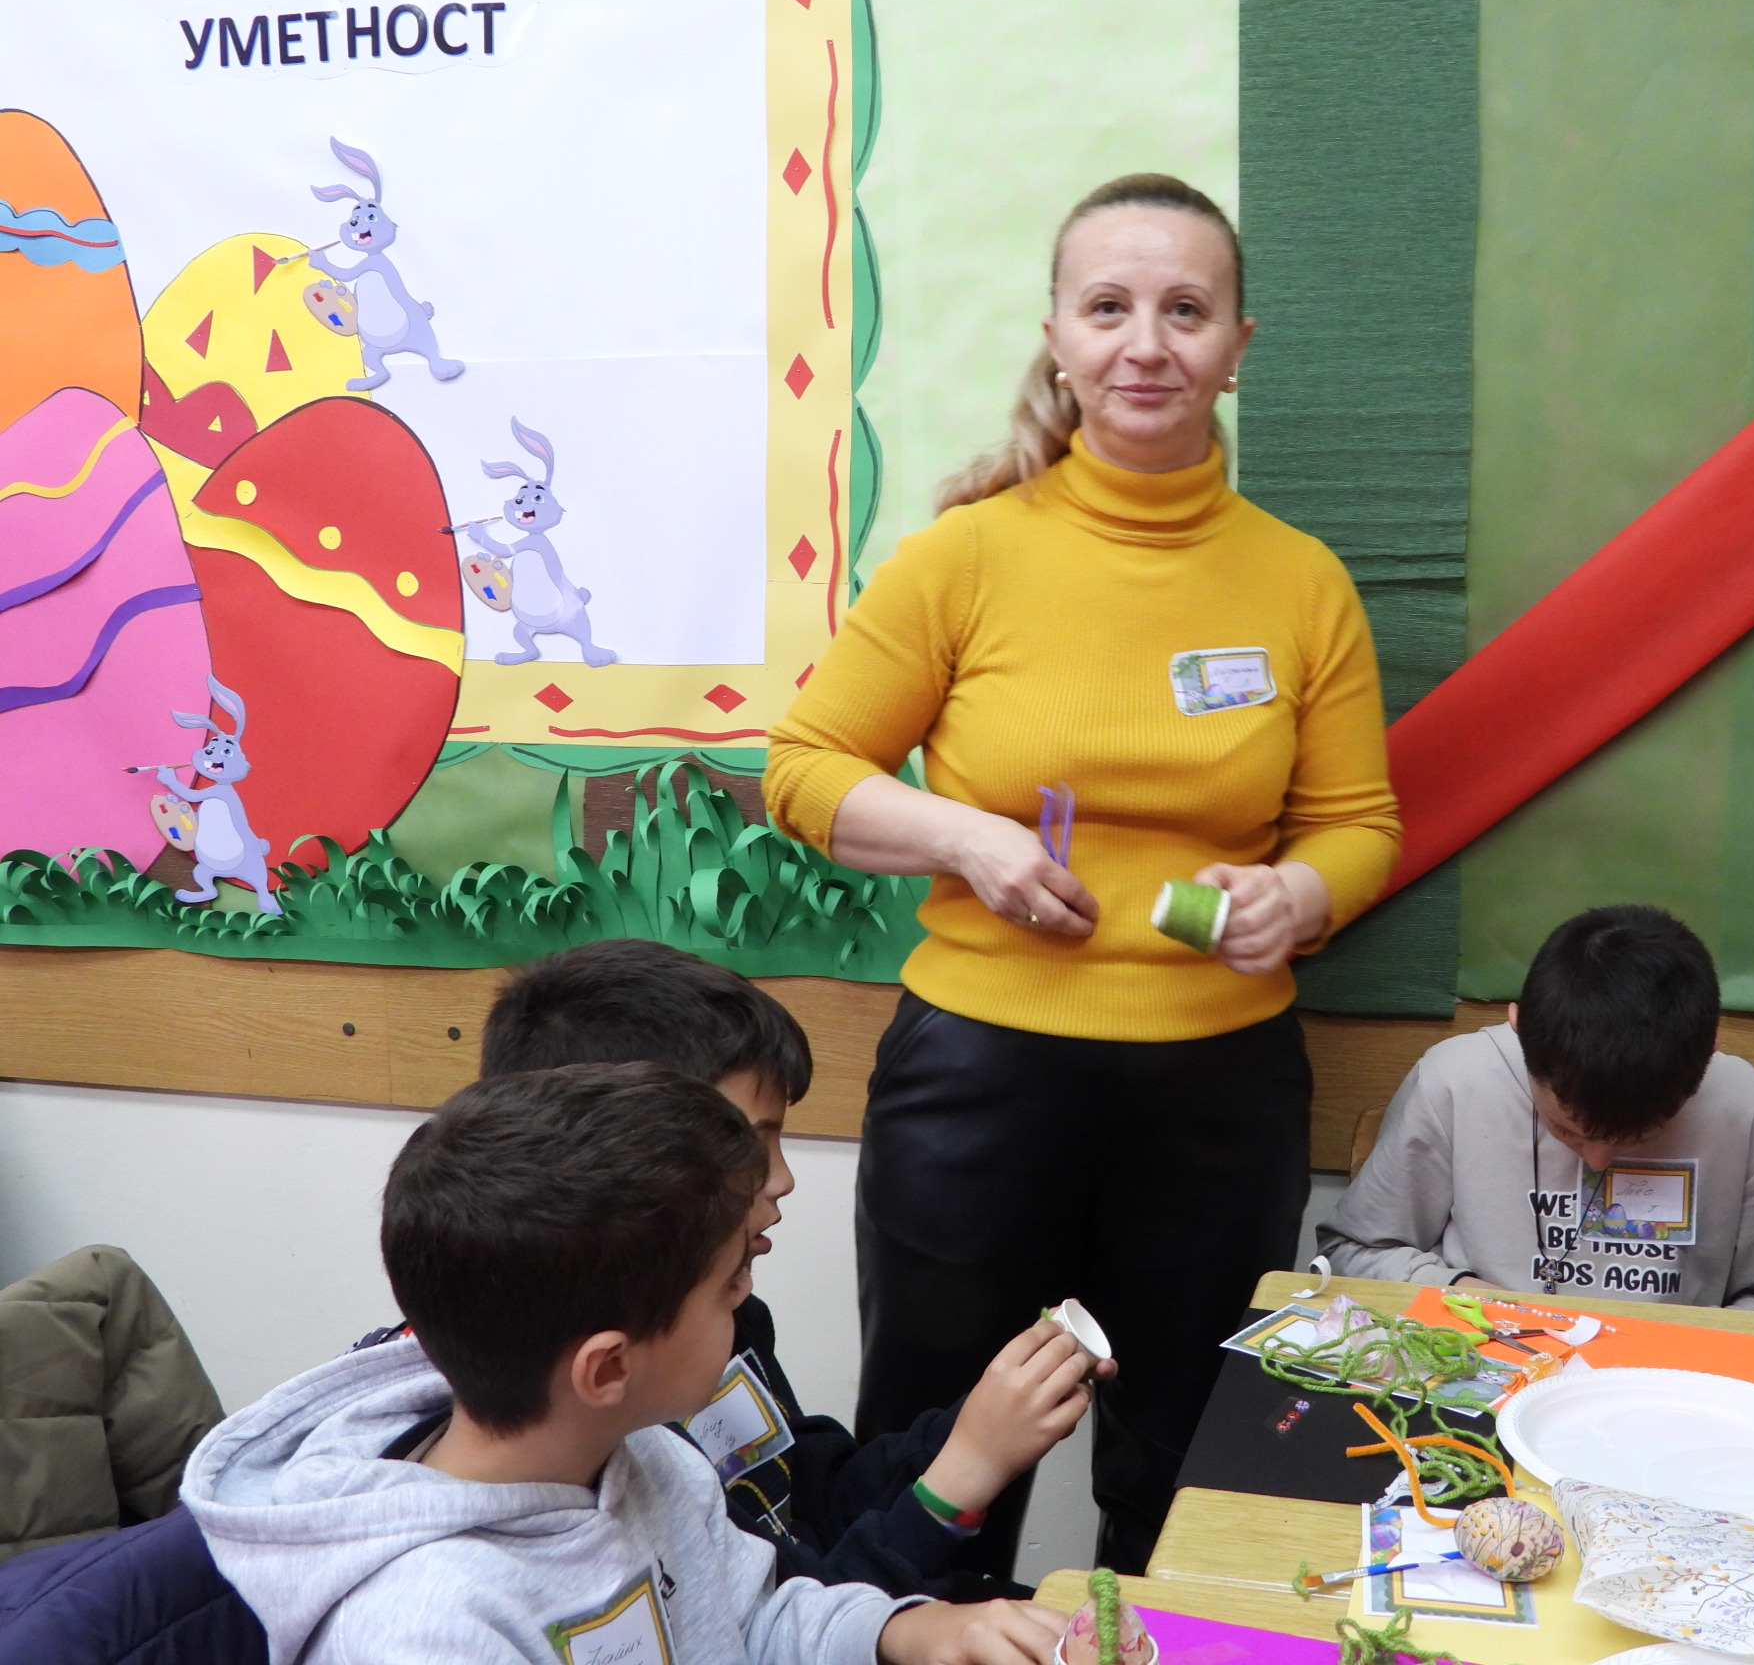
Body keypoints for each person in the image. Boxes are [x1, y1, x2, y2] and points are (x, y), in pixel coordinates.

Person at [763, 172, 1401, 1569]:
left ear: (1239, 346)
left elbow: (1359, 824)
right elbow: (804, 770)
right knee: (938, 1449)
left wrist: (1300, 896)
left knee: (1188, 1464)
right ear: (1057, 335)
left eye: (1187, 311)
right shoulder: (964, 558)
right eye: (1108, 309)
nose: (1145, 345)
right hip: (979, 1082)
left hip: (1220, 1093)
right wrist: (969, 838)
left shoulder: (1301, 583)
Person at [180, 1063, 1066, 1665]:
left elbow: (756, 1619)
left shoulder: (646, 1457)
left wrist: (911, 1634)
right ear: (607, 1370)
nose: (744, 1308)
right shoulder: (426, 1629)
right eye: (729, 1288)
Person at [479, 938, 1104, 1600]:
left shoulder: (729, 1317)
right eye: (748, 1145)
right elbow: (776, 1621)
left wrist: (988, 1416)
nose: (781, 1178)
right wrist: (964, 1473)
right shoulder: (616, 1402)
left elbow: (814, 1497)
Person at [1320, 905, 1754, 1311]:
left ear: (1709, 1051)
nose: (1597, 1158)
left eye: (1641, 1136)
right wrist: (1458, 1293)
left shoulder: (1744, 1109)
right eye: (1567, 1130)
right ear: (1520, 1031)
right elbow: (1350, 1252)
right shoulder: (1455, 1081)